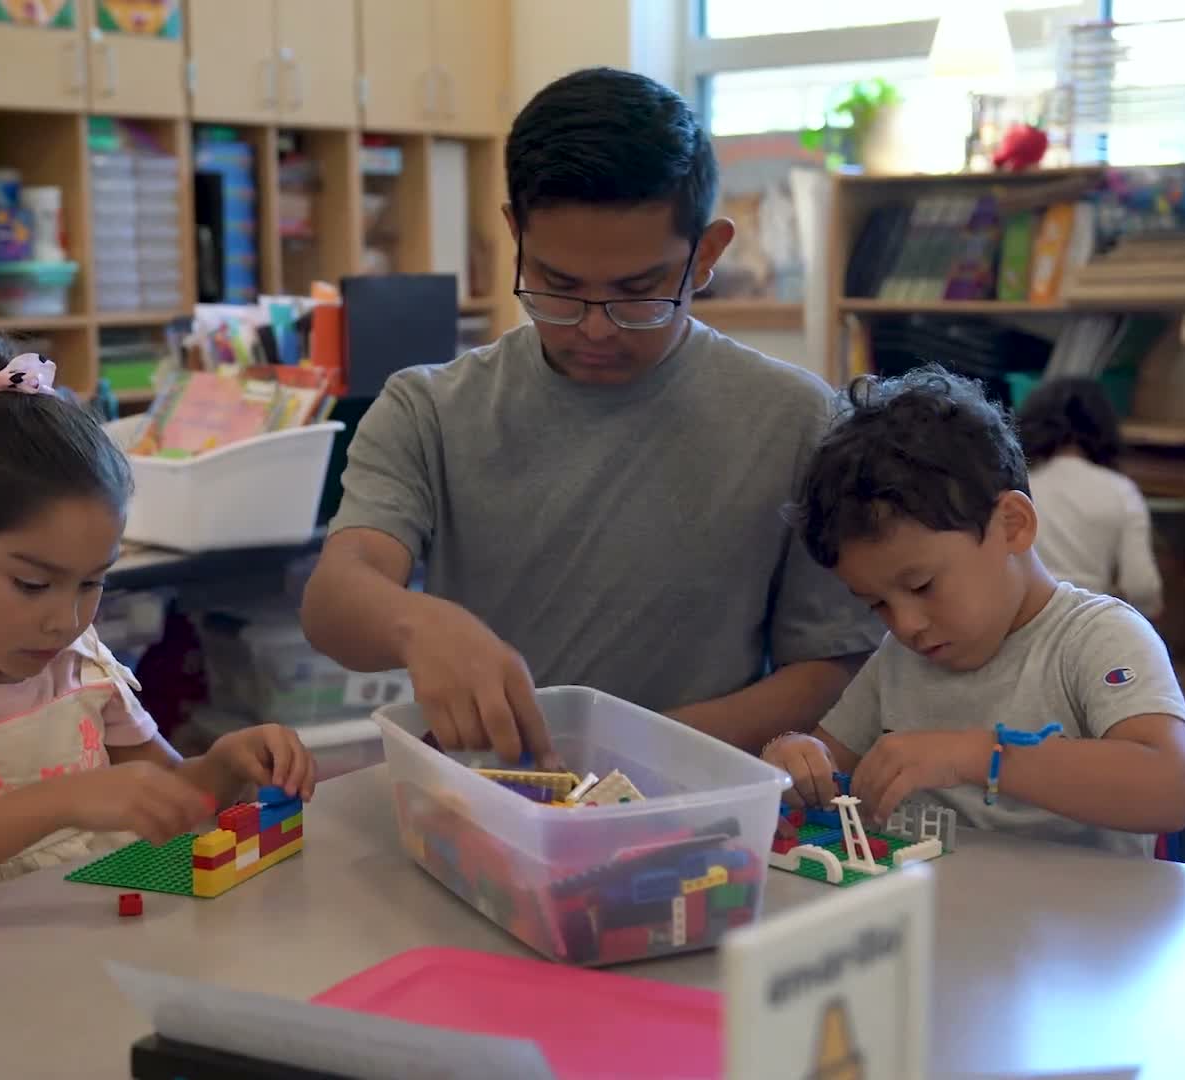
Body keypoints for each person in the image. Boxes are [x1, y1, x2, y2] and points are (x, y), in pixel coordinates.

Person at [300, 68, 878, 761]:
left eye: (639, 291)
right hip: (478, 807)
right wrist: (418, 626)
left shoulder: (797, 421)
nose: (596, 330)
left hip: (690, 808)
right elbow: (336, 596)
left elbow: (831, 666)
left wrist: (623, 750)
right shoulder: (429, 408)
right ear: (515, 235)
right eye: (557, 286)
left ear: (707, 255)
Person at [0, 328, 315, 928]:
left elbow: (170, 798)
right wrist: (55, 803)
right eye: (33, 585)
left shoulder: (85, 671)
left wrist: (225, 766)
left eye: (92, 582)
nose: (65, 619)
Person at [764, 367, 1185, 856]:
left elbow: (1172, 787)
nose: (906, 625)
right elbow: (831, 771)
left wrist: (981, 756)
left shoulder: (1097, 638)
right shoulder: (900, 660)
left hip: (1084, 926)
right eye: (877, 604)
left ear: (1013, 525)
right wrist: (797, 761)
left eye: (922, 585)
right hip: (945, 918)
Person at [1016, 377, 1163, 618]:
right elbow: (1142, 586)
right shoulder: (1120, 490)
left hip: (1024, 622)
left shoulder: (1019, 487)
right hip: (1091, 621)